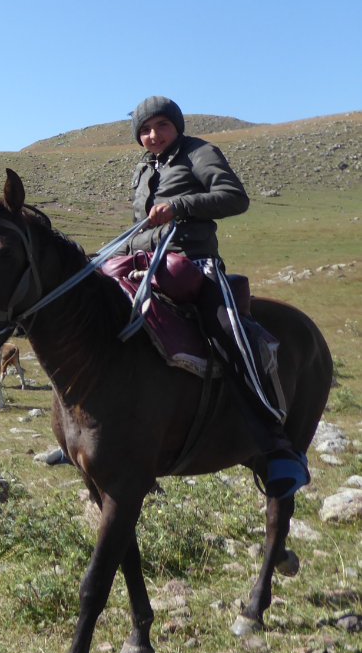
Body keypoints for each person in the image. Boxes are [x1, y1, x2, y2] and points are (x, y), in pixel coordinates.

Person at [113, 95, 308, 498]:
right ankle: (96, 436)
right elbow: (141, 225)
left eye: (161, 126)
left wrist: (179, 206)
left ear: (176, 126)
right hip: (145, 264)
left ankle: (274, 441)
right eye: (145, 130)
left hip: (193, 265)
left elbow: (234, 198)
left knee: (229, 335)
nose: (153, 135)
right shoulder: (145, 168)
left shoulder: (199, 152)